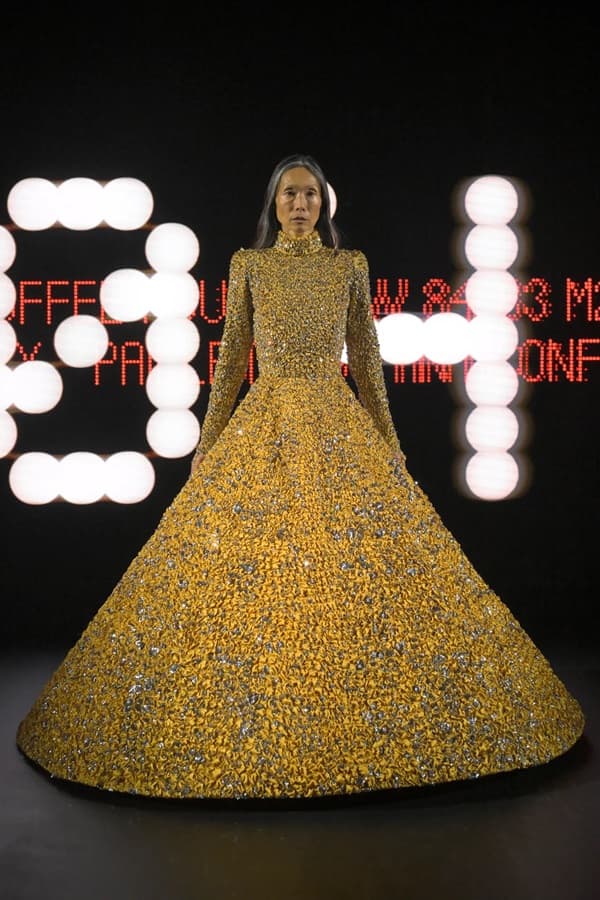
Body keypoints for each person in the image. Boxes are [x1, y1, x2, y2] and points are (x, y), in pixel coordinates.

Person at [16, 153, 585, 800]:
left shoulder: (349, 266)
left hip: (336, 421)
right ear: (274, 203)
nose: (299, 204)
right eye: (289, 194)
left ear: (324, 204)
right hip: (266, 419)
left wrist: (389, 441)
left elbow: (367, 357)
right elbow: (232, 358)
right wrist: (208, 442)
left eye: (309, 194)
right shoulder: (249, 264)